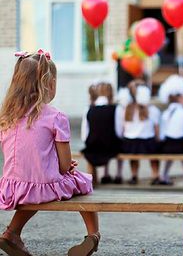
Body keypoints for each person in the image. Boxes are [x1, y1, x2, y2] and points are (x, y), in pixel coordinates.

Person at [0, 51, 99, 256]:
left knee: (34, 186)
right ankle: (93, 236)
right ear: (51, 84)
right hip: (41, 185)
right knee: (82, 181)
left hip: (12, 186)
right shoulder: (55, 117)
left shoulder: (6, 116)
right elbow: (63, 167)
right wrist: (64, 166)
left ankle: (12, 233)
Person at [81, 82, 124, 185]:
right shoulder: (116, 109)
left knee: (103, 143)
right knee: (118, 143)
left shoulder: (89, 109)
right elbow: (119, 132)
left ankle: (104, 173)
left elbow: (84, 133)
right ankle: (119, 174)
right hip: (110, 145)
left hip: (93, 145)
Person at [122, 80, 164, 185]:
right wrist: (157, 140)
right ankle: (155, 174)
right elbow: (157, 129)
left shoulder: (125, 110)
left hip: (130, 143)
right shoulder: (153, 110)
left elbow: (123, 129)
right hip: (148, 143)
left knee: (133, 153)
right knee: (154, 149)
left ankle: (134, 174)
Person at [158, 75, 183, 186]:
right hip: (181, 144)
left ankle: (164, 175)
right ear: (179, 98)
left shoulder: (166, 113)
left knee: (169, 158)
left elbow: (163, 132)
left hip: (168, 144)